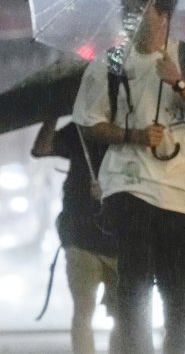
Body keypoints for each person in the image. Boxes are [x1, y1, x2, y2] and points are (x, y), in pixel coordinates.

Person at [72, 0, 185, 354]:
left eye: (138, 9)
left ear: (163, 14)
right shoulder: (109, 63)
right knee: (134, 283)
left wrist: (179, 84)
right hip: (129, 184)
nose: (129, 17)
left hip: (183, 192)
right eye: (124, 10)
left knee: (177, 290)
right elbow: (90, 122)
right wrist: (133, 136)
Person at [31, 117, 118, 354]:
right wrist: (53, 113)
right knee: (83, 311)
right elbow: (41, 149)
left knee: (121, 315)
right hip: (81, 236)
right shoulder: (79, 129)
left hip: (120, 240)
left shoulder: (130, 127)